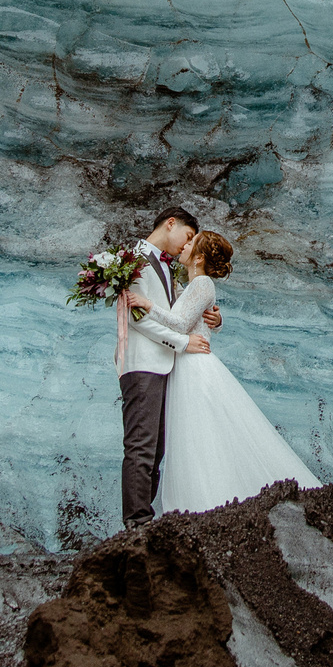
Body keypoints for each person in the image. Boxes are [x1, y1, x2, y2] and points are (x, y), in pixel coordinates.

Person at [124, 230, 317, 516]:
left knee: (200, 435)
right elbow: (194, 316)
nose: (184, 245)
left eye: (190, 242)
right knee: (195, 436)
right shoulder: (191, 285)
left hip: (194, 366)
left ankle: (203, 502)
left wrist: (148, 305)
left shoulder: (201, 283)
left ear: (199, 257)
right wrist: (217, 319)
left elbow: (178, 322)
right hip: (185, 363)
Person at [112, 207, 220, 526]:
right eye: (187, 236)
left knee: (156, 451)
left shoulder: (166, 267)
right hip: (142, 363)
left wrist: (213, 317)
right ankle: (137, 521)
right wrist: (183, 343)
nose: (186, 246)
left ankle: (145, 517)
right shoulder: (132, 259)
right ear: (170, 224)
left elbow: (180, 311)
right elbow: (137, 317)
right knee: (141, 447)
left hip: (161, 365)